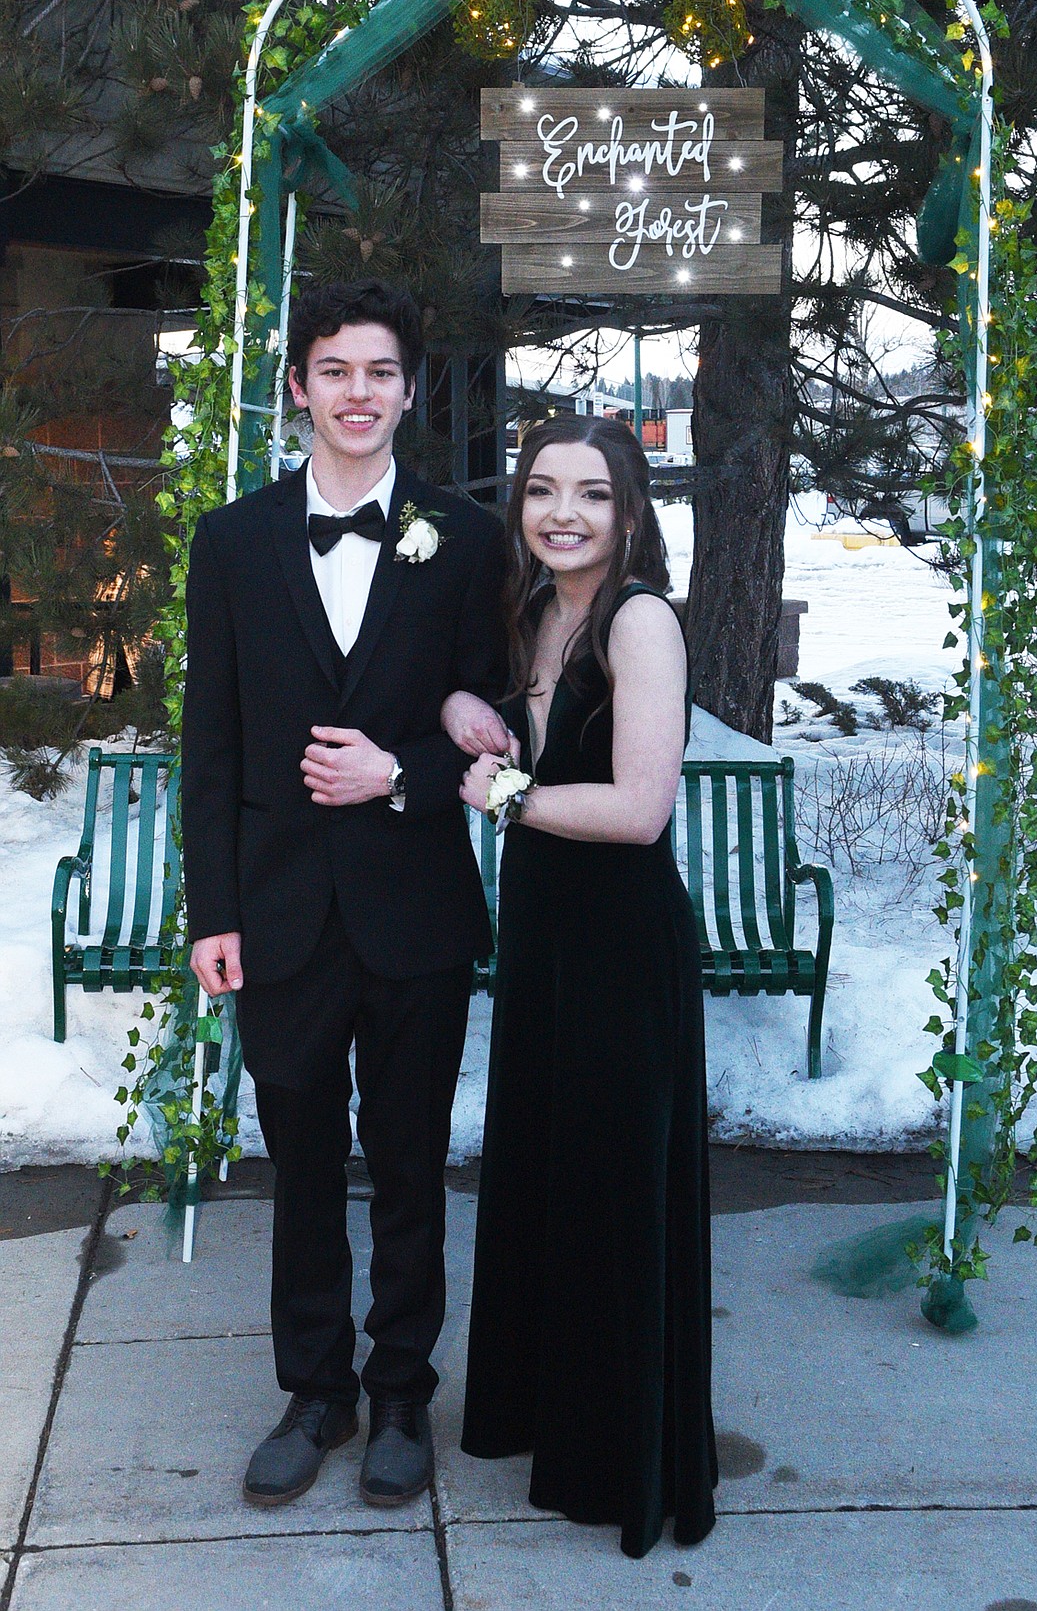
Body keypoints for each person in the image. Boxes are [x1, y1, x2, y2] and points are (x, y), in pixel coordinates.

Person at [182, 278, 509, 1510]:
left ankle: (400, 1394)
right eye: (335, 370)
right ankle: (313, 1386)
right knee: (302, 1159)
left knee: (414, 1160)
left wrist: (401, 776)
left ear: (410, 389)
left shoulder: (467, 541)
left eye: (381, 371)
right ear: (301, 387)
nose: (358, 393)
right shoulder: (233, 541)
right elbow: (206, 747)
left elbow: (500, 734)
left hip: (415, 905)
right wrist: (215, 914)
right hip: (277, 915)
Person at [448, 413, 718, 1558]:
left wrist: (502, 795)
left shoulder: (640, 620)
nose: (565, 512)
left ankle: (624, 1463)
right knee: (553, 1183)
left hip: (618, 940)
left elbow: (638, 808)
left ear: (632, 509)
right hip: (549, 938)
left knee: (613, 1199)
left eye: (593, 494)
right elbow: (526, 737)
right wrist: (481, 717)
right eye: (544, 490)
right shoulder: (540, 614)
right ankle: (551, 1421)